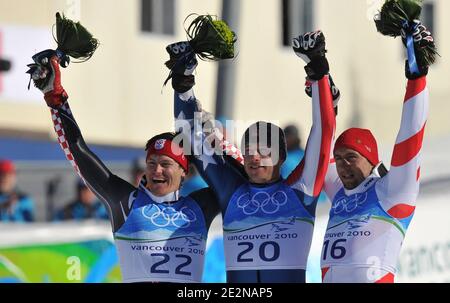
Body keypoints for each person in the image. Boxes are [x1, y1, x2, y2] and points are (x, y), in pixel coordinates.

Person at [28, 50, 221, 283]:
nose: (156, 170)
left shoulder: (201, 205)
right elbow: (78, 151)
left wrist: (209, 136)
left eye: (165, 164)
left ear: (184, 171)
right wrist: (55, 98)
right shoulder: (126, 201)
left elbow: (239, 178)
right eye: (151, 163)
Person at [168, 30, 336, 282]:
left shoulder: (301, 190)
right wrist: (183, 82)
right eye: (249, 151)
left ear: (281, 157)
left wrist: (317, 68)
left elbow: (324, 132)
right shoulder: (231, 191)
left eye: (264, 151)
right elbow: (189, 136)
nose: (255, 157)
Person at [320, 22, 434, 283]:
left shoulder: (391, 191)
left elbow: (410, 140)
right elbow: (323, 148)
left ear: (372, 160)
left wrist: (416, 78)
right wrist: (324, 93)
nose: (342, 166)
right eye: (339, 159)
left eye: (351, 157)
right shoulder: (339, 191)